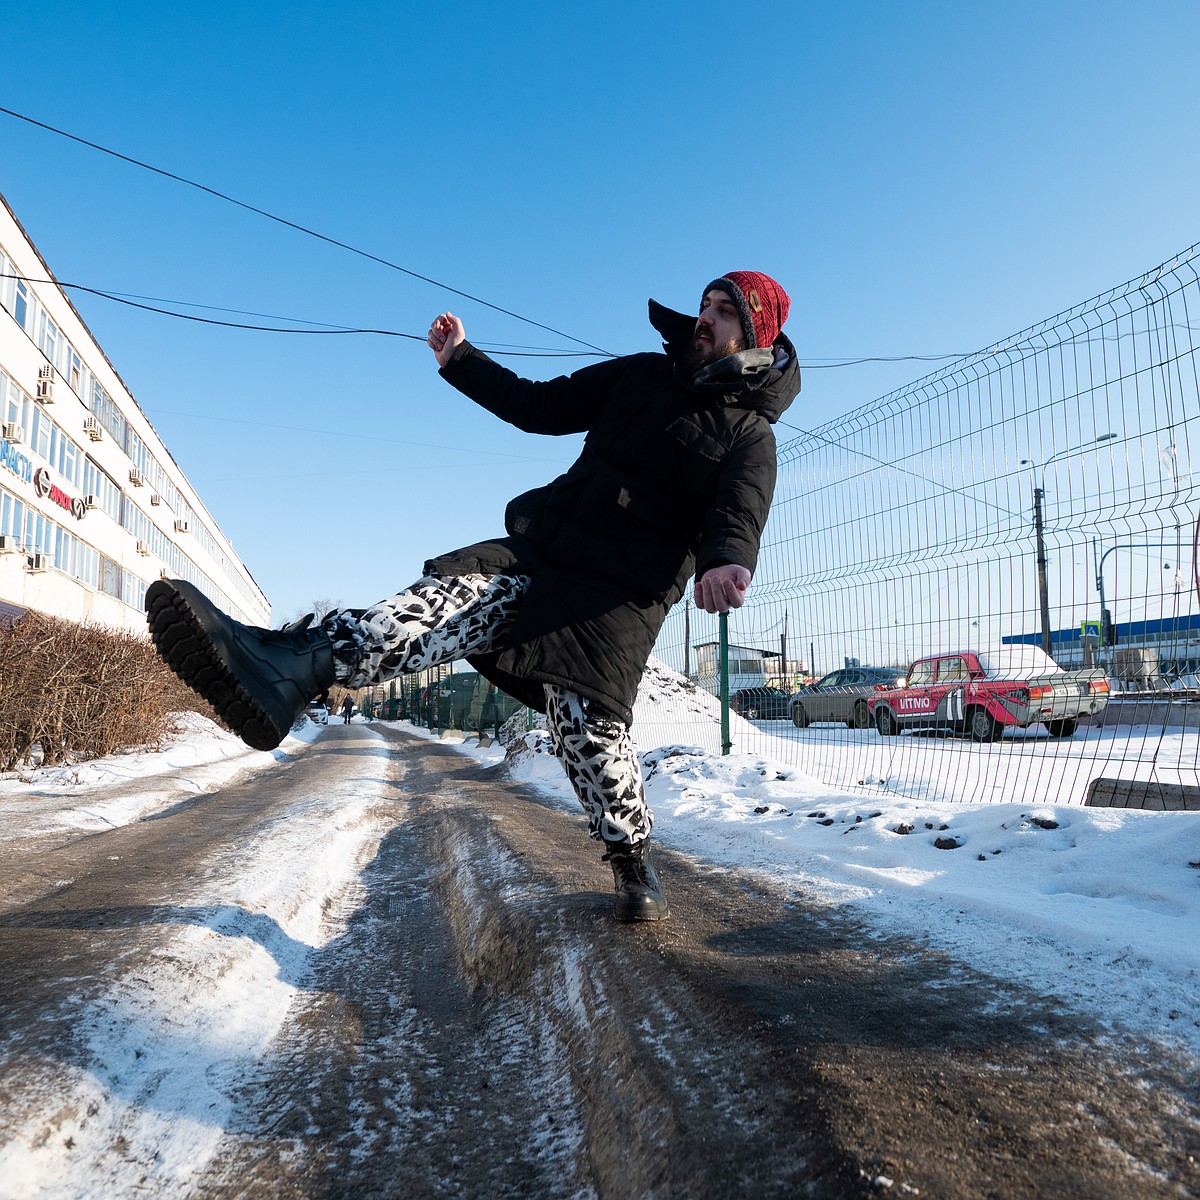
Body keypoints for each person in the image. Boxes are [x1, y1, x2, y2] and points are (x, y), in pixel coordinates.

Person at [146, 271, 799, 923]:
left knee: (586, 733)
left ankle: (630, 857)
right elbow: (539, 405)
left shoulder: (749, 436)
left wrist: (728, 563)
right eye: (705, 304)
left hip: (613, 605)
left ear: (756, 335)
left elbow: (739, 513)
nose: (704, 318)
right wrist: (461, 359)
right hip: (544, 553)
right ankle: (286, 666)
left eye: (725, 312)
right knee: (441, 602)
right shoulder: (641, 374)